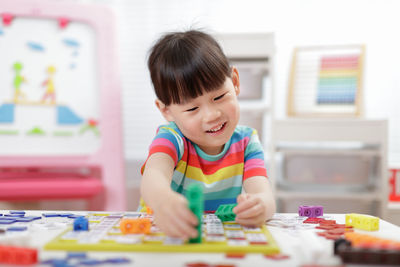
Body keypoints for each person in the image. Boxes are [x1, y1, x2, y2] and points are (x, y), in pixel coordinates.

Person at [140, 29, 276, 240]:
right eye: (192, 109)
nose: (212, 115)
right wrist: (162, 201)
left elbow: (264, 195)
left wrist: (261, 207)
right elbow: (154, 175)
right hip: (170, 237)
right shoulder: (171, 138)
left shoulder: (247, 142)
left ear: (235, 82)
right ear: (166, 110)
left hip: (218, 240)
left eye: (220, 96)